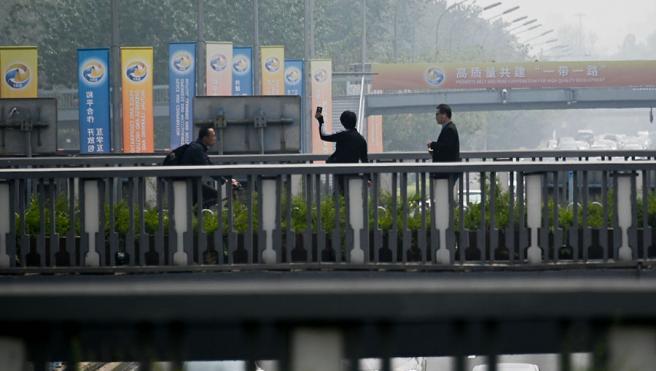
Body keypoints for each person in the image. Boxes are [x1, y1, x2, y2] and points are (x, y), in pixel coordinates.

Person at [179, 127, 240, 208]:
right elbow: (208, 170)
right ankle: (199, 215)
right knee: (215, 196)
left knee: (192, 205)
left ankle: (198, 215)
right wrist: (224, 181)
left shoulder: (199, 147)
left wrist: (227, 178)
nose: (215, 138)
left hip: (192, 182)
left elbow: (210, 166)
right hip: (188, 183)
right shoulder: (197, 149)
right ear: (205, 138)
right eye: (213, 136)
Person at [314, 109, 369, 193]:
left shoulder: (342, 135)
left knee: (339, 197)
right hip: (354, 174)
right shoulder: (361, 139)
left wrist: (320, 120)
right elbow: (365, 160)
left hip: (340, 172)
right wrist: (368, 178)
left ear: (343, 122)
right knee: (351, 197)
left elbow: (324, 136)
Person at [427, 104, 460, 183]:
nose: (436, 117)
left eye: (437, 114)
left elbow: (446, 147)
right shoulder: (448, 128)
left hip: (447, 172)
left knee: (443, 194)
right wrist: (434, 153)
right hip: (446, 171)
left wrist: (432, 144)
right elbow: (445, 149)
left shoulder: (450, 129)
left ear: (444, 115)